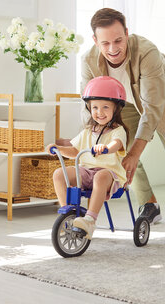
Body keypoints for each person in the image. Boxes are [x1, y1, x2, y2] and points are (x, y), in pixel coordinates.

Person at [80, 8, 165, 224]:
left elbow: (152, 107)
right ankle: (149, 203)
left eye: (118, 40)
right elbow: (88, 107)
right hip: (121, 103)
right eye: (105, 43)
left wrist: (136, 152)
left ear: (127, 33)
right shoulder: (88, 61)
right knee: (118, 150)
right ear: (95, 40)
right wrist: (96, 139)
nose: (113, 49)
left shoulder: (147, 52)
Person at [47, 76, 128, 239]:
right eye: (95, 107)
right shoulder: (88, 131)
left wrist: (106, 148)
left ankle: (90, 220)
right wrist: (58, 148)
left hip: (109, 175)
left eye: (105, 107)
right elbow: (75, 150)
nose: (100, 112)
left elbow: (117, 144)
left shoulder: (118, 131)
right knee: (58, 174)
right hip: (86, 171)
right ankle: (68, 213)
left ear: (116, 109)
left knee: (100, 176)